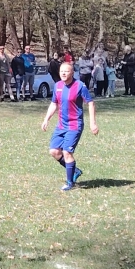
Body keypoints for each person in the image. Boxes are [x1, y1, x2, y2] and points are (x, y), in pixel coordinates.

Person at [39, 62, 97, 191]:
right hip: (61, 125)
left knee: (66, 152)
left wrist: (93, 123)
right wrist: (46, 119)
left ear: (72, 73)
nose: (63, 73)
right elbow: (54, 104)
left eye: (66, 71)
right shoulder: (58, 86)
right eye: (61, 71)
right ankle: (75, 170)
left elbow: (90, 103)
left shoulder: (80, 86)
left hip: (74, 125)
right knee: (54, 151)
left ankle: (70, 182)